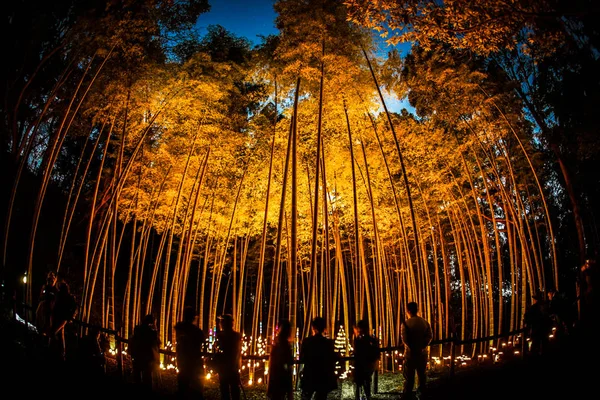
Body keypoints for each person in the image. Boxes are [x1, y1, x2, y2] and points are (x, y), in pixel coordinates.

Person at [299, 316, 338, 400]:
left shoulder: (307, 341)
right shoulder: (328, 343)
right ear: (324, 328)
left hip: (310, 375)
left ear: (313, 328)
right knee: (321, 396)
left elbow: (302, 357)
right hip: (323, 376)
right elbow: (332, 357)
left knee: (306, 396)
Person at [401, 301, 433, 400]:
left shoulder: (406, 323)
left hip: (410, 354)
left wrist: (412, 347)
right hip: (422, 353)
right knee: (422, 375)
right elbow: (430, 336)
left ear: (408, 311)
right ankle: (422, 393)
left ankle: (408, 395)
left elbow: (405, 339)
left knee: (409, 377)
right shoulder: (424, 322)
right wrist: (422, 346)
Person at [175, 306, 206, 400]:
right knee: (196, 386)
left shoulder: (179, 328)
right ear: (194, 317)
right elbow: (202, 343)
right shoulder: (197, 331)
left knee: (183, 384)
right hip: (194, 361)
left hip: (182, 360)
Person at [129, 314, 161, 391]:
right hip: (147, 357)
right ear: (152, 322)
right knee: (147, 377)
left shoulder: (137, 329)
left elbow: (133, 339)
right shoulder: (152, 332)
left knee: (137, 376)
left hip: (137, 355)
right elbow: (158, 342)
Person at [214, 314, 242, 400]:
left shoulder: (222, 336)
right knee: (232, 388)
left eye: (221, 322)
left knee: (226, 388)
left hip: (226, 365)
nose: (220, 324)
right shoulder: (236, 335)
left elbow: (220, 349)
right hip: (231, 365)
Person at [49, 280, 77, 361]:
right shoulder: (59, 295)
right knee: (59, 334)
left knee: (53, 332)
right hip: (58, 317)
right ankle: (60, 353)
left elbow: (74, 308)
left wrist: (70, 317)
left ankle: (55, 351)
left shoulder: (68, 297)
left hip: (62, 318)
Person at [352, 319, 380, 400]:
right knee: (366, 382)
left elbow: (358, 351)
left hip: (362, 365)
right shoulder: (369, 338)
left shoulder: (360, 339)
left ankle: (362, 397)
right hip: (367, 364)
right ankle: (366, 396)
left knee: (360, 382)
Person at [267, 319, 294, 400]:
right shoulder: (284, 344)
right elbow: (287, 361)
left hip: (275, 374)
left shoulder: (276, 342)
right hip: (282, 374)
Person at [523, 290, 552, 358]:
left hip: (537, 328)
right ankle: (543, 355)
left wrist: (527, 322)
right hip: (544, 327)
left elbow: (527, 316)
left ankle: (535, 356)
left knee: (536, 342)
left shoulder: (534, 307)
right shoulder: (545, 305)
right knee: (544, 342)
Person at [35, 270, 58, 339]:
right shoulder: (45, 287)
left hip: (51, 309)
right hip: (43, 307)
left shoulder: (55, 290)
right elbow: (41, 296)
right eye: (50, 279)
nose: (52, 281)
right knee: (41, 320)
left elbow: (56, 299)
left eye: (53, 279)